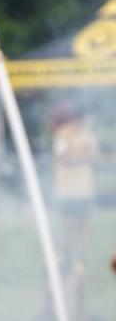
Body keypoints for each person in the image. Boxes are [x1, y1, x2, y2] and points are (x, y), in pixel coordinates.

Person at [51, 103, 98, 262]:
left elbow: (91, 156)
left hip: (84, 187)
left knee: (84, 223)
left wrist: (75, 155)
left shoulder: (88, 134)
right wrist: (79, 155)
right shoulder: (63, 134)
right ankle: (66, 255)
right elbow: (63, 157)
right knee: (66, 224)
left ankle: (82, 256)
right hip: (66, 188)